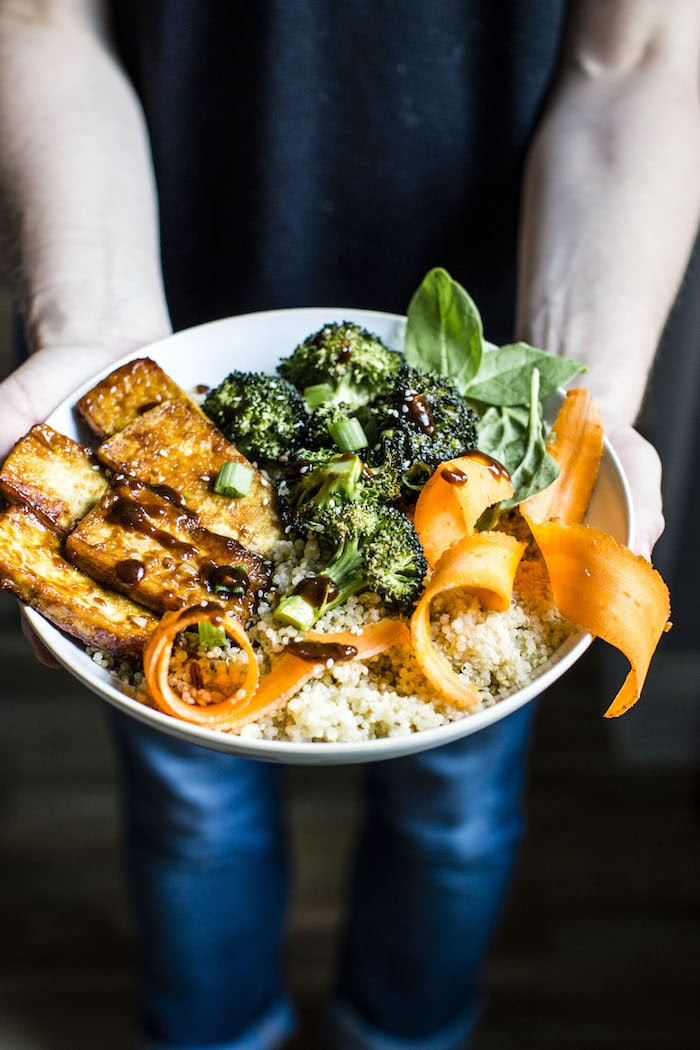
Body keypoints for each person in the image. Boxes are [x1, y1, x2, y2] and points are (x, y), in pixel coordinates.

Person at [0, 2, 697, 1048]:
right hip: (163, 305)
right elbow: (45, 23)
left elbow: (638, 59)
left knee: (454, 819)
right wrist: (93, 329)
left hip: (485, 364)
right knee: (191, 808)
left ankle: (404, 1033)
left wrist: (577, 396)